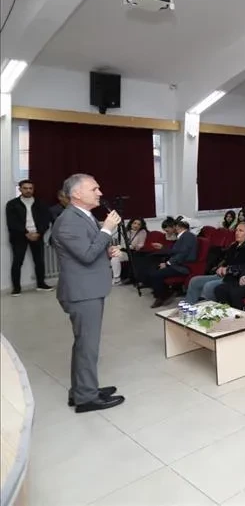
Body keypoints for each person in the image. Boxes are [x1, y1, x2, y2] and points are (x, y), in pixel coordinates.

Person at [50, 173, 125, 412]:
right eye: (94, 189)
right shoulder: (68, 221)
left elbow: (90, 249)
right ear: (77, 194)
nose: (100, 193)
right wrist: (107, 230)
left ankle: (82, 389)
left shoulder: (83, 215)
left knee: (84, 344)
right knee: (87, 346)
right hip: (82, 292)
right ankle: (87, 398)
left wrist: (107, 250)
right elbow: (86, 255)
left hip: (88, 288)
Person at [183, 221, 245, 303]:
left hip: (234, 278)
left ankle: (209, 309)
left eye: (241, 231)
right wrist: (220, 267)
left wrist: (228, 269)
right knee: (195, 281)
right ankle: (189, 306)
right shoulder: (233, 245)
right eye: (236, 230)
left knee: (209, 286)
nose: (237, 233)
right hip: (223, 275)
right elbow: (225, 261)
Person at [6, 179, 54, 295]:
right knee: (17, 261)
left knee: (39, 261)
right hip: (19, 237)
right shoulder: (12, 204)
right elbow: (12, 222)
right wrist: (26, 233)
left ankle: (41, 284)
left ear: (33, 189)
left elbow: (45, 220)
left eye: (30, 188)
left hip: (37, 235)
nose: (28, 190)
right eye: (25, 188)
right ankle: (16, 288)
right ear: (20, 189)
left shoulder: (40, 203)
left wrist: (39, 233)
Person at [147, 219, 198, 308]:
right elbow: (175, 251)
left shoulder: (188, 236)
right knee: (153, 268)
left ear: (177, 226)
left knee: (156, 274)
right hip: (177, 263)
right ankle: (163, 292)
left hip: (184, 266)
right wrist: (162, 247)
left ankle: (161, 297)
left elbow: (182, 254)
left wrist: (167, 264)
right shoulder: (183, 236)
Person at [110, 218, 148, 284]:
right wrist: (119, 246)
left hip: (134, 253)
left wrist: (133, 246)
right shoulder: (126, 231)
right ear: (131, 224)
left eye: (139, 224)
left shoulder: (142, 232)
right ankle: (116, 278)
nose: (136, 225)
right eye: (134, 223)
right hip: (125, 251)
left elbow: (141, 245)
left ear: (141, 226)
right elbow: (122, 243)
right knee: (115, 257)